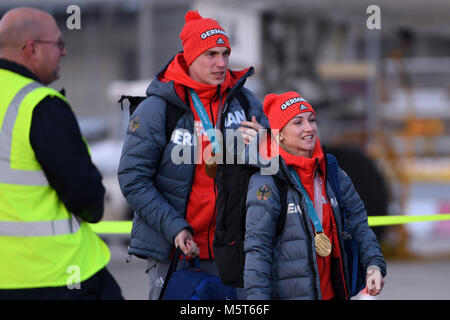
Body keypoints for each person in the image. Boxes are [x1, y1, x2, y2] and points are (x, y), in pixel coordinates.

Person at [118, 10, 267, 300]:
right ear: (189, 57)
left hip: (235, 248)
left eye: (225, 53)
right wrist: (175, 228)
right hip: (177, 250)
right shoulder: (158, 108)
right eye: (211, 54)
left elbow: (274, 169)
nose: (221, 63)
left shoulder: (245, 101)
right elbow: (133, 178)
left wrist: (266, 147)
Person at [0, 7, 123, 300]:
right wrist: (93, 208)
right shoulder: (39, 105)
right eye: (58, 44)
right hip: (56, 273)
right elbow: (86, 196)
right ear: (32, 49)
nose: (64, 53)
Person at [244, 91, 386, 299]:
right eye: (298, 123)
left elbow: (359, 223)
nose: (309, 128)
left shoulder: (331, 171)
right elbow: (258, 250)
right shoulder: (267, 180)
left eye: (312, 120)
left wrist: (374, 264)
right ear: (279, 133)